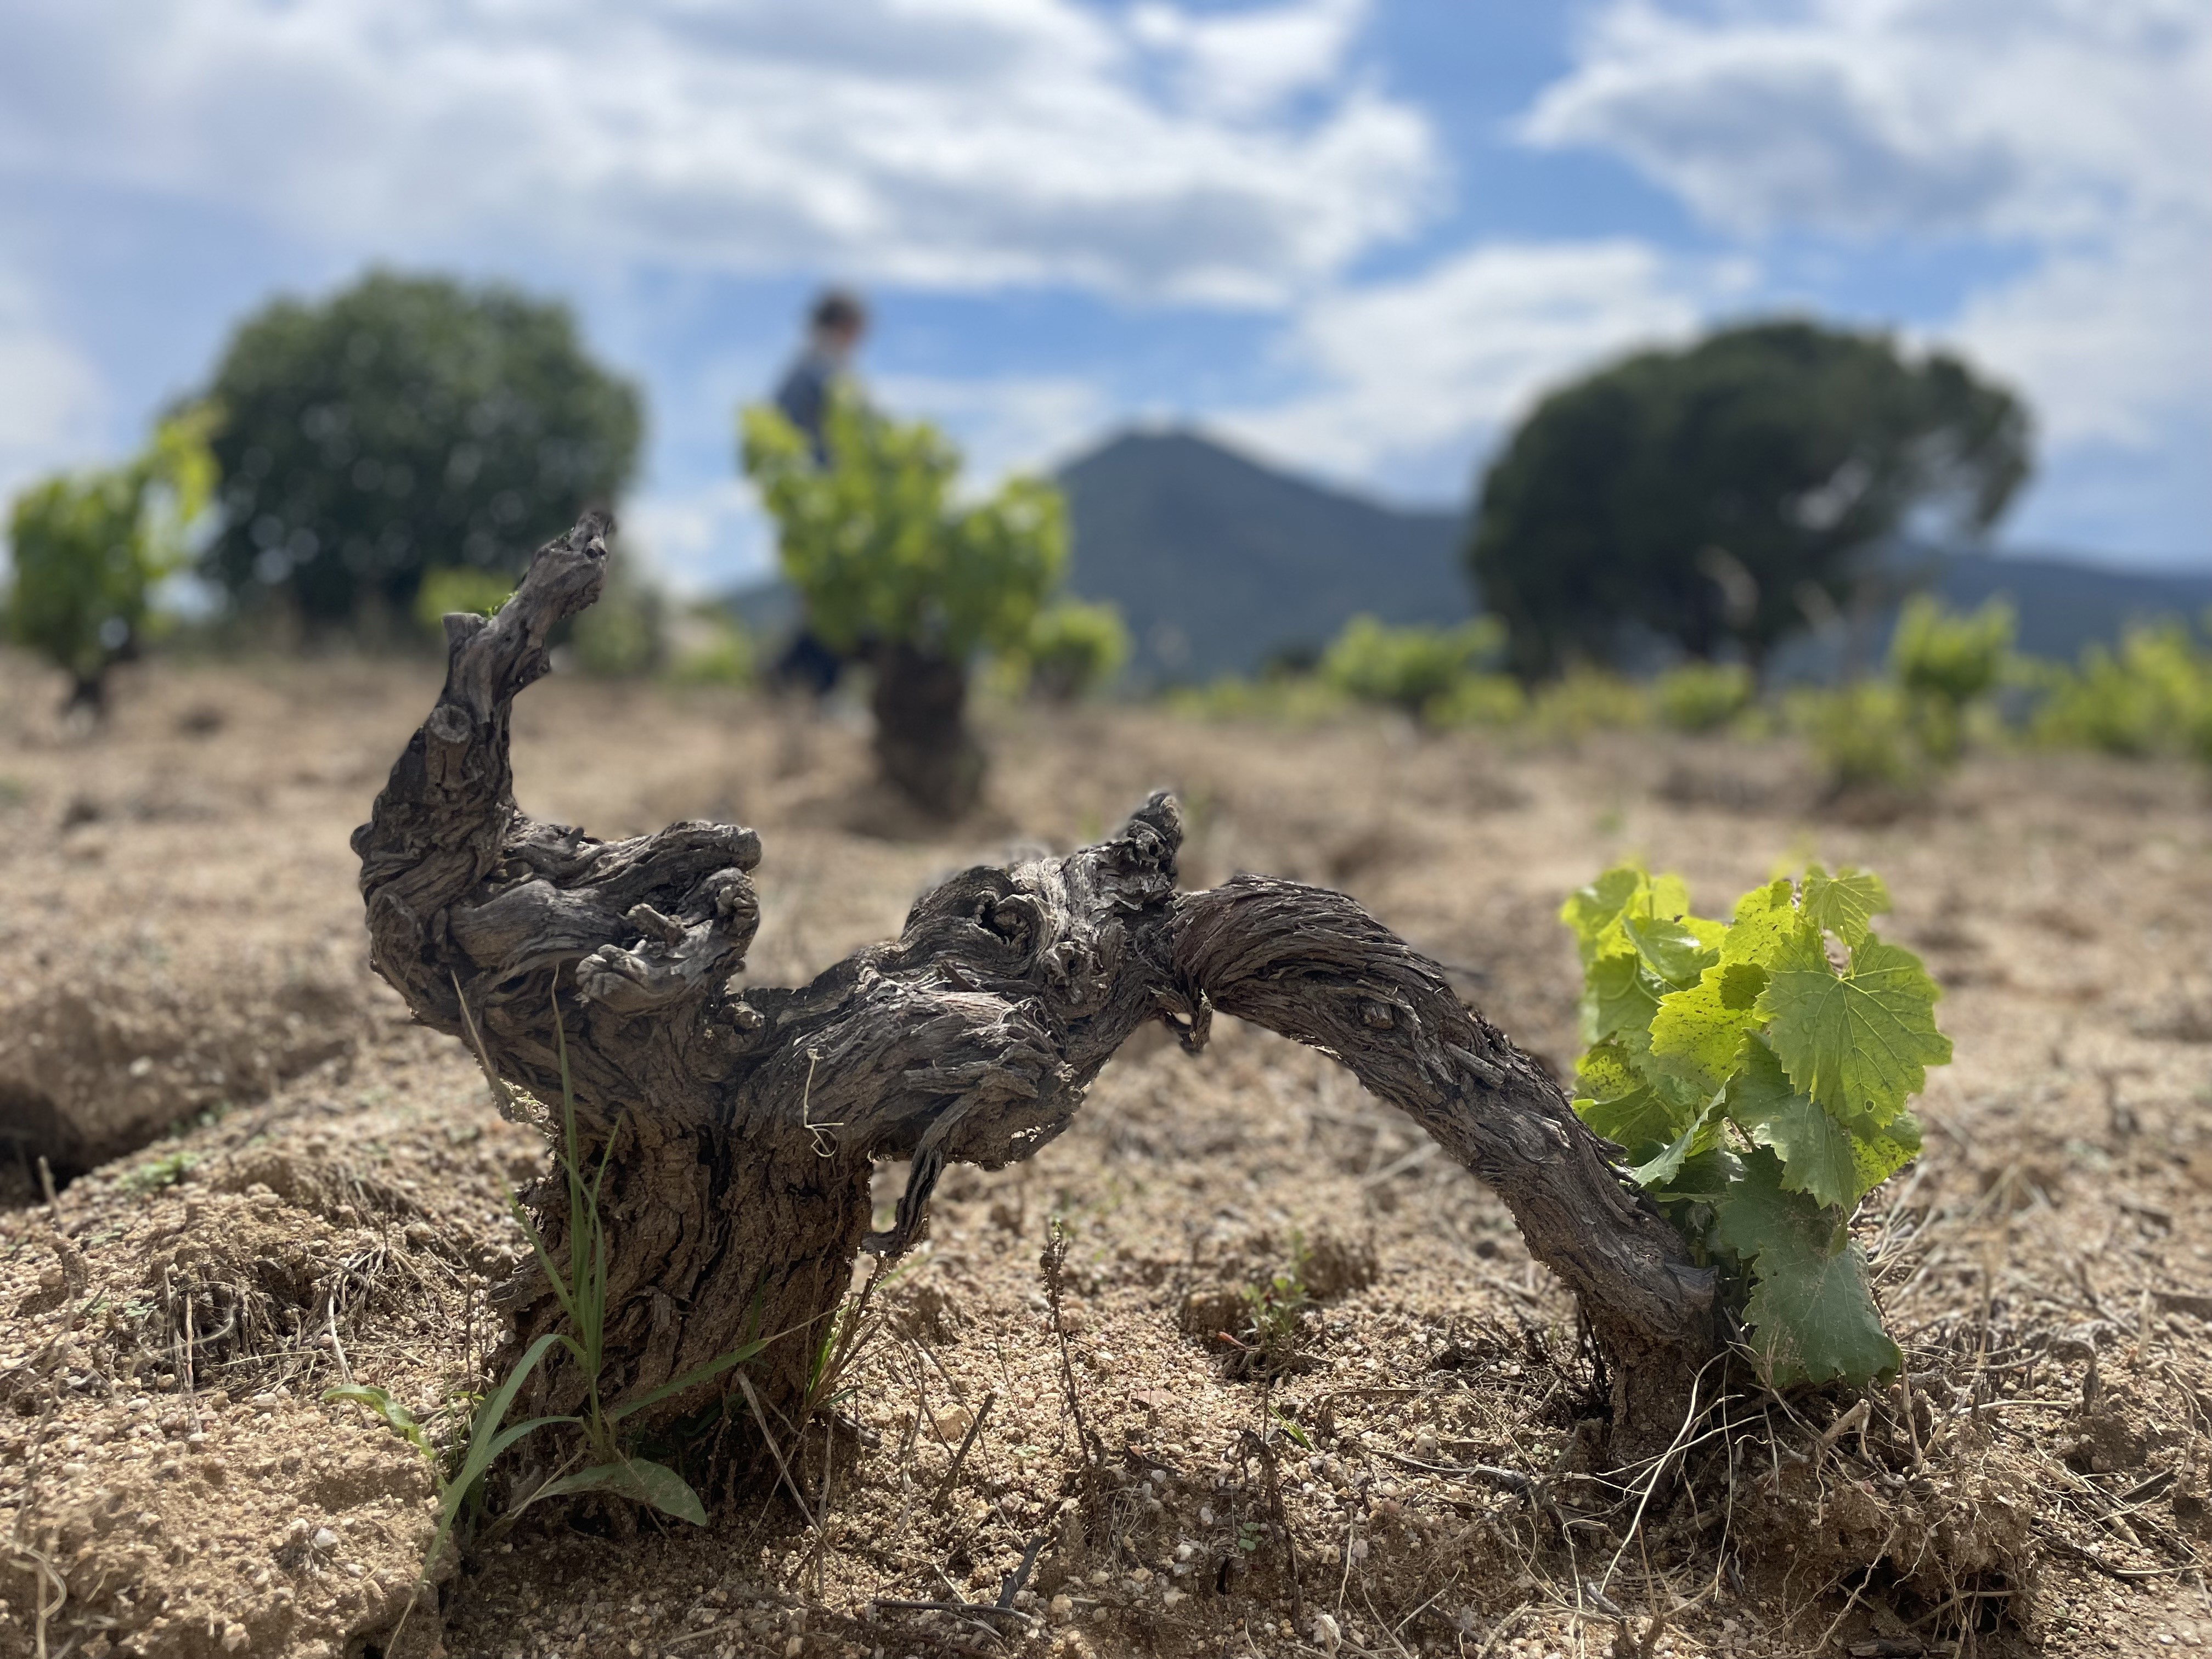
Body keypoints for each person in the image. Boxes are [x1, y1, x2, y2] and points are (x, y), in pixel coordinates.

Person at [769, 290, 868, 696]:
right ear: (845, 326)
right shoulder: (820, 373)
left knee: (826, 600)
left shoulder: (809, 369)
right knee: (835, 598)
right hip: (825, 504)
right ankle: (802, 684)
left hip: (818, 503)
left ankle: (790, 681)